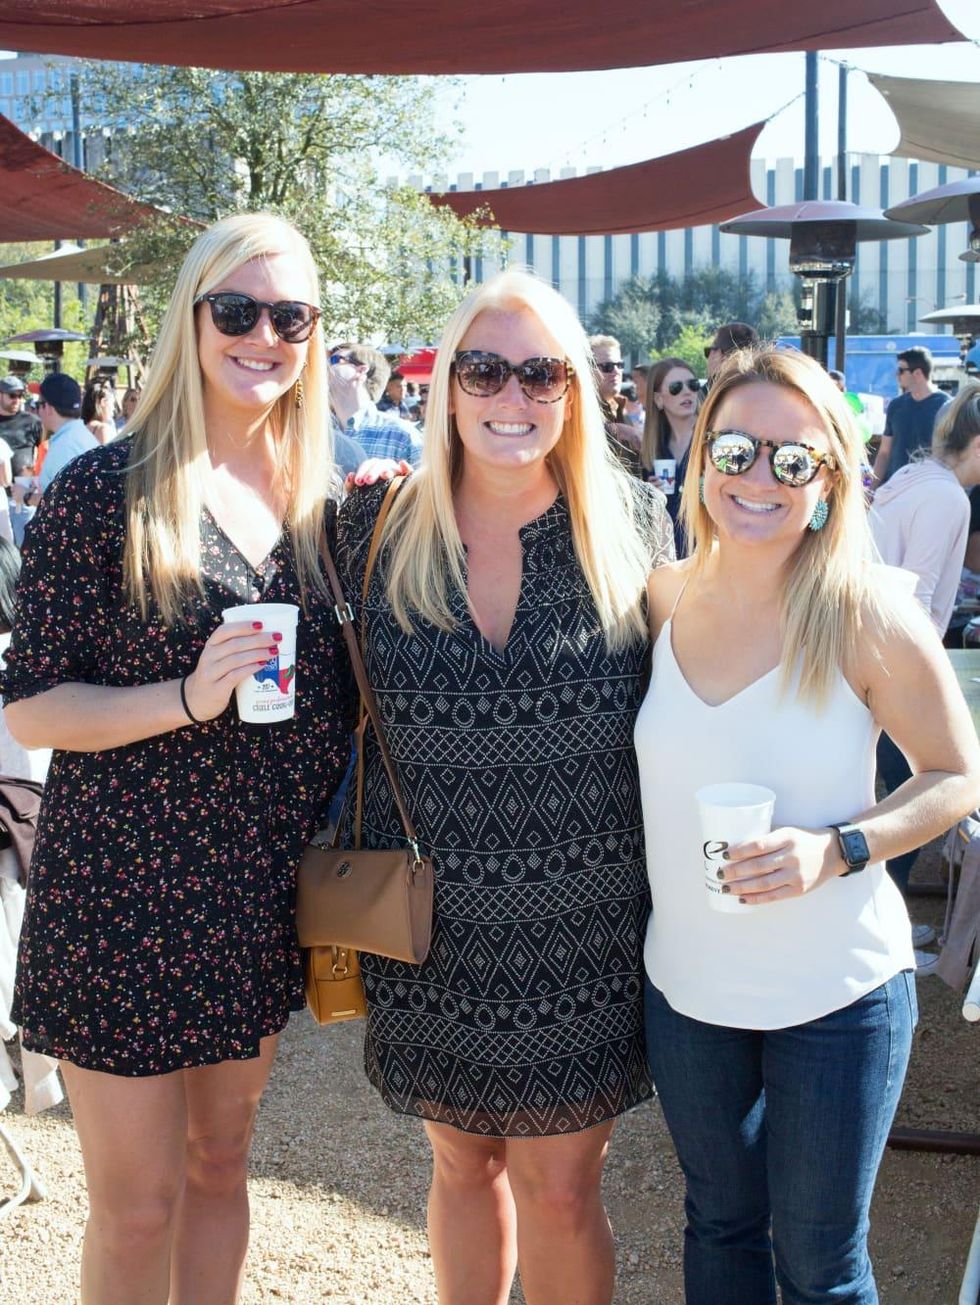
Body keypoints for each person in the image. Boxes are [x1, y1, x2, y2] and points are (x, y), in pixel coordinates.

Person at [2, 212, 353, 1305]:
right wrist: (185, 697)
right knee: (137, 1202)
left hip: (250, 897)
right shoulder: (102, 492)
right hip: (116, 892)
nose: (262, 334)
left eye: (288, 315)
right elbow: (34, 710)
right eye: (235, 310)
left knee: (218, 1167)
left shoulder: (323, 508)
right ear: (191, 320)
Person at [337, 269, 674, 1305]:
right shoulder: (371, 532)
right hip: (431, 923)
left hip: (582, 932)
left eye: (540, 374)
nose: (510, 399)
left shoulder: (630, 525)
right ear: (444, 387)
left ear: (575, 392)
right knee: (458, 1163)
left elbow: (703, 696)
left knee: (561, 1189)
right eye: (483, 371)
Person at [636, 346, 980, 1305]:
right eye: (738, 448)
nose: (759, 478)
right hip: (689, 990)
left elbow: (958, 775)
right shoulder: (661, 598)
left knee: (823, 1267)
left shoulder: (865, 612)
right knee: (720, 1227)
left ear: (829, 482)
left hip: (838, 998)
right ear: (702, 456)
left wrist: (840, 846)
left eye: (794, 461)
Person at [870, 381, 980, 964]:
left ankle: (888, 905)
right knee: (923, 792)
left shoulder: (916, 478)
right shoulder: (945, 497)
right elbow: (916, 596)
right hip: (891, 669)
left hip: (874, 661)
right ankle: (889, 912)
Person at [328, 342, 424, 466]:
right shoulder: (316, 434)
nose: (326, 365)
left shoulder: (401, 436)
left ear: (361, 370)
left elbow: (426, 484)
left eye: (334, 360)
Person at [642, 356, 700, 558]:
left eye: (692, 385)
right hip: (671, 557)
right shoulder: (654, 449)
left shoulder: (712, 438)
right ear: (658, 399)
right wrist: (651, 495)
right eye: (676, 387)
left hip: (709, 554)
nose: (687, 392)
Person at [872, 346, 949, 486]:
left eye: (901, 370)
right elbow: (884, 453)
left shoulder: (947, 406)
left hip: (930, 488)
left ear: (918, 373)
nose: (896, 375)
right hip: (895, 488)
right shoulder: (896, 406)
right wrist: (871, 488)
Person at [589, 332, 642, 473]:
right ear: (587, 370)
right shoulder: (575, 407)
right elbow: (577, 437)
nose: (616, 371)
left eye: (619, 365)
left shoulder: (619, 406)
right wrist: (616, 430)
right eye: (607, 367)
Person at [0, 374, 42, 462]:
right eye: (12, 395)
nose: (16, 400)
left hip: (24, 475)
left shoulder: (32, 421)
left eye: (20, 396)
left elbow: (46, 450)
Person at [81, 377, 119, 444]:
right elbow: (107, 454)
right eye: (112, 404)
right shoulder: (103, 429)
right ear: (103, 402)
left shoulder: (82, 428)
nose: (113, 409)